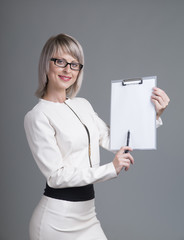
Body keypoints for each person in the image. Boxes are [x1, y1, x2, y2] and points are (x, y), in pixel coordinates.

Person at [24, 33, 170, 240]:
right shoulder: (37, 116)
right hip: (56, 221)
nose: (68, 70)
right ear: (46, 65)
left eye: (75, 64)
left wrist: (153, 116)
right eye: (60, 61)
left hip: (87, 216)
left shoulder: (83, 105)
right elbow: (56, 177)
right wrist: (111, 168)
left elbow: (114, 140)